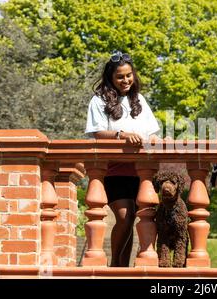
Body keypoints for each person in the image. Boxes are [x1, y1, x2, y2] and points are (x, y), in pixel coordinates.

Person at [85, 51, 160, 267]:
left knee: (135, 221)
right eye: (120, 77)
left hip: (141, 171)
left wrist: (158, 139)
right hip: (114, 169)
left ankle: (123, 268)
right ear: (111, 77)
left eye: (129, 75)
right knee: (125, 217)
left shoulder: (140, 100)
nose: (125, 80)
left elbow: (151, 133)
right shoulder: (98, 100)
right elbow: (97, 133)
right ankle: (116, 266)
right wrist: (121, 135)